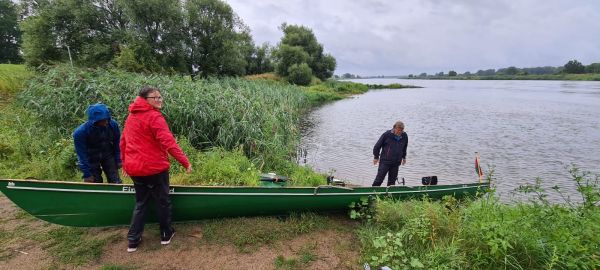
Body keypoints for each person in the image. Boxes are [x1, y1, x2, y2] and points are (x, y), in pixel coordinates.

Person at [120, 86, 192, 253]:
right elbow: (169, 143)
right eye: (155, 97)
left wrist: (125, 163)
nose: (160, 100)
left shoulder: (131, 116)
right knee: (162, 202)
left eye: (160, 97)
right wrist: (185, 162)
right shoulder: (154, 117)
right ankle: (166, 234)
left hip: (135, 169)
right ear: (145, 99)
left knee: (141, 203)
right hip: (154, 168)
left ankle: (133, 241)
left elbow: (123, 141)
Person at [73, 103, 122, 184]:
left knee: (115, 181)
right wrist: (87, 174)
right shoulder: (80, 133)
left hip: (108, 154)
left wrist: (118, 159)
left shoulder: (113, 125)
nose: (106, 122)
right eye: (103, 120)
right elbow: (82, 155)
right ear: (95, 121)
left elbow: (117, 144)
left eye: (107, 119)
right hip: (90, 157)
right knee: (95, 182)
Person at [371, 121, 408, 186]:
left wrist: (404, 157)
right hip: (385, 161)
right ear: (394, 128)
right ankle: (372, 193)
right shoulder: (386, 134)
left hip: (396, 162)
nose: (399, 132)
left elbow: (404, 147)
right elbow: (377, 146)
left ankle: (389, 195)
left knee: (392, 182)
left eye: (401, 131)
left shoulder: (404, 136)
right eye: (398, 130)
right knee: (379, 179)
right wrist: (376, 157)